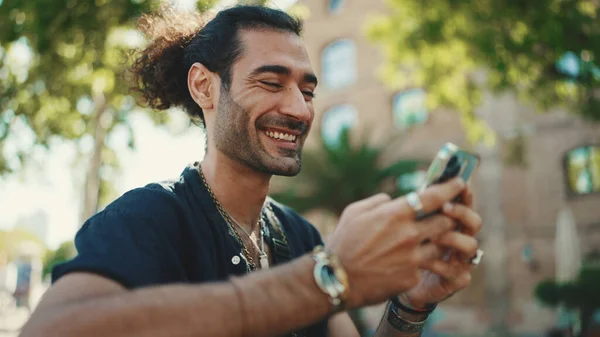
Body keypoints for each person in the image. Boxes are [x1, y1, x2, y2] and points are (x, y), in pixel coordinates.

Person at [20, 5, 483, 337]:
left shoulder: (300, 235)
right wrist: (326, 279)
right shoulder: (150, 217)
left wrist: (410, 306)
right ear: (204, 86)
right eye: (270, 82)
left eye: (307, 90)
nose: (299, 110)